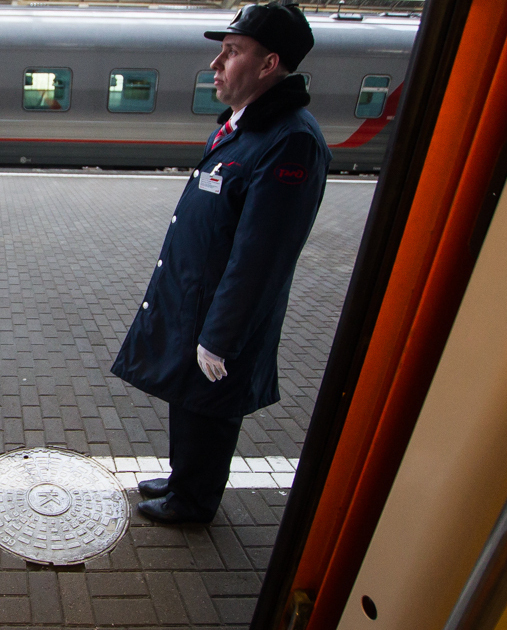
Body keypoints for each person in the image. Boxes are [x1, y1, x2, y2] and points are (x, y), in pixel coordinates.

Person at [110, 1, 331, 524]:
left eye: (231, 53)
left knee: (209, 405)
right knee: (190, 399)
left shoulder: (290, 141)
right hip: (197, 300)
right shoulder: (245, 125)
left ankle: (193, 502)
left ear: (269, 63)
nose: (215, 65)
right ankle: (186, 476)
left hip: (221, 312)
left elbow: (263, 255)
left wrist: (221, 336)